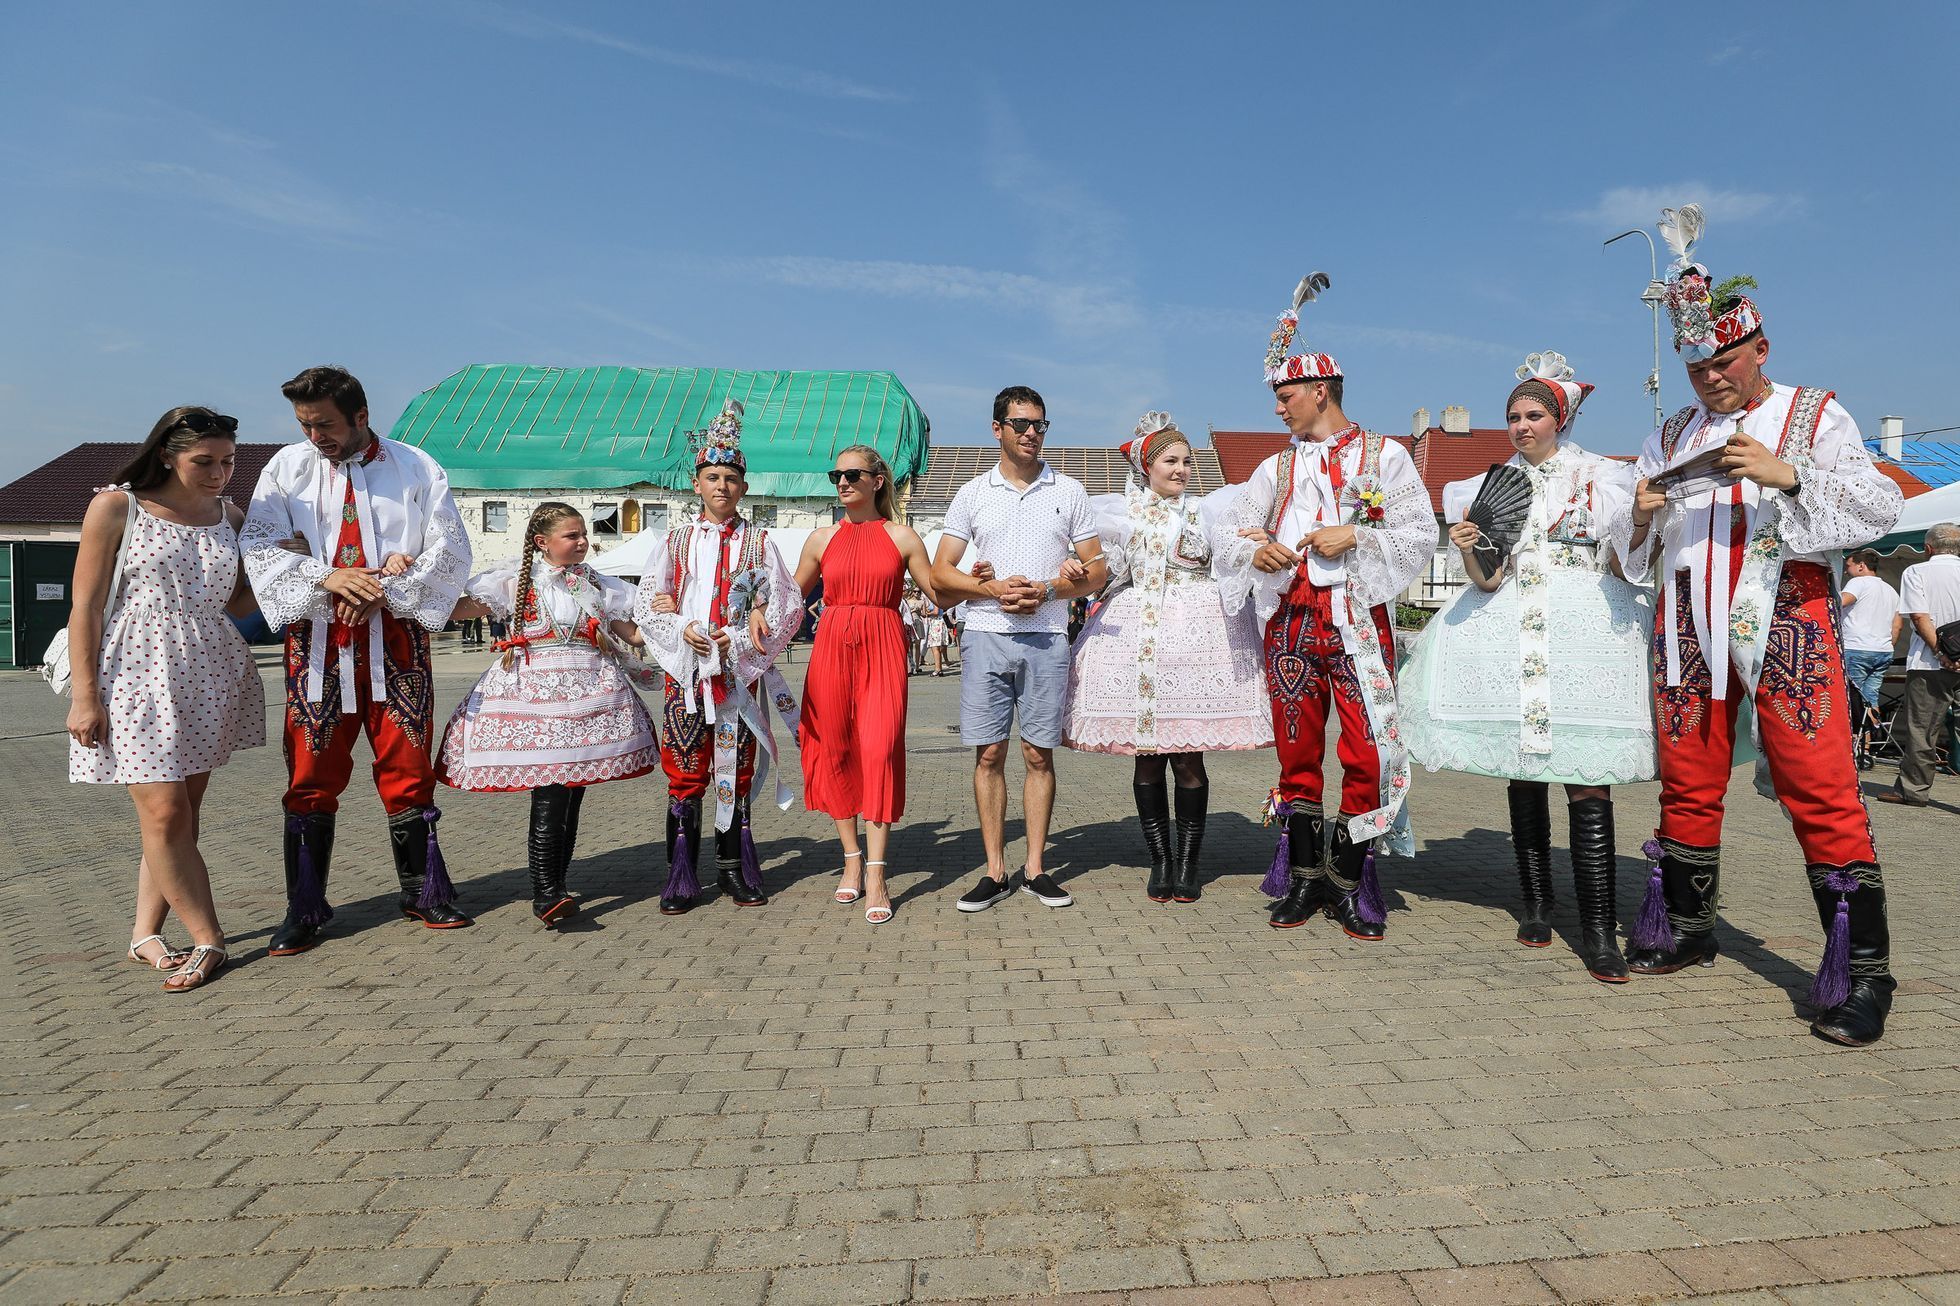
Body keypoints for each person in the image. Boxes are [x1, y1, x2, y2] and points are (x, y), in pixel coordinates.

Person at [1610, 206, 1903, 1045]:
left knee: (1820, 789)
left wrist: (1788, 474)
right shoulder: (1668, 432)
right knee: (1688, 782)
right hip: (1687, 625)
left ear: (1760, 349)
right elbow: (1634, 553)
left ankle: (1865, 974)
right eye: (1697, 365)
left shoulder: (1815, 415)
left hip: (1787, 618)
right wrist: (1637, 513)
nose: (1710, 380)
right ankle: (1688, 929)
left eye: (1724, 363)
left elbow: (1878, 507)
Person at [1400, 353, 1655, 981]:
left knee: (1587, 773)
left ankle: (1598, 929)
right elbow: (1489, 582)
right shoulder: (1486, 485)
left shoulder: (1605, 477)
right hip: (1510, 623)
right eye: (1513, 416)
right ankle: (1536, 903)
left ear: (1558, 418)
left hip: (1586, 622)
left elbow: (1628, 565)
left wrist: (1642, 520)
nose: (1520, 426)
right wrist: (1469, 553)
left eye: (1533, 415)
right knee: (1525, 769)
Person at [1213, 274, 1436, 938]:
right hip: (1291, 622)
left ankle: (1351, 880)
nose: (1279, 410)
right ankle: (1304, 879)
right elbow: (1228, 529)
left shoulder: (1386, 457)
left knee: (1368, 752)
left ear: (1320, 391)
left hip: (1358, 623)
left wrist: (1357, 535)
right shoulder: (1273, 469)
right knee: (1296, 750)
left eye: (1285, 397)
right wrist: (1258, 551)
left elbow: (1421, 534)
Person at [241, 365, 476, 955]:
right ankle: (304, 906)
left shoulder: (417, 467)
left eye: (324, 424)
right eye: (305, 424)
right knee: (310, 773)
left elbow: (449, 546)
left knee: (407, 766)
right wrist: (329, 577)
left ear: (361, 416)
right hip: (319, 643)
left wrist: (390, 584)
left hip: (396, 641)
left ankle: (424, 889)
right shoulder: (285, 469)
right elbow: (260, 546)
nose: (314, 435)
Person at [67, 407, 265, 991]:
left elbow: (237, 607)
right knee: (163, 813)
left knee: (180, 818)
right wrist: (84, 696)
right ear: (166, 455)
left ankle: (144, 935)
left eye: (228, 461)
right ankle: (211, 940)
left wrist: (293, 565)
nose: (219, 473)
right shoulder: (116, 506)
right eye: (204, 461)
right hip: (134, 671)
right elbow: (86, 607)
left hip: (208, 670)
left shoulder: (230, 516)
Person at [1064, 412, 1272, 903]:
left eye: (1185, 460)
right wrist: (1076, 566)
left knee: (1189, 758)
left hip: (1200, 641)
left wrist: (1252, 544)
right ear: (1147, 467)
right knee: (1149, 759)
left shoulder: (1208, 511)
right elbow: (1107, 569)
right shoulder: (1120, 514)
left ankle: (1188, 862)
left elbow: (1234, 554)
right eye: (1170, 461)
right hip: (1140, 639)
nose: (1181, 469)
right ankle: (1160, 861)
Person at [438, 503, 660, 925]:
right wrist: (427, 590)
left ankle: (556, 882)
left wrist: (667, 624)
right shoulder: (515, 581)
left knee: (572, 788)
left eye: (583, 534)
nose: (582, 542)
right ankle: (546, 892)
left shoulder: (596, 583)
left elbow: (628, 630)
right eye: (571, 536)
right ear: (542, 543)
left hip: (589, 691)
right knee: (552, 787)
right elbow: (461, 610)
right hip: (535, 696)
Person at [932, 386, 1108, 912]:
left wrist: (1051, 589)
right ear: (997, 429)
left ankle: (1035, 869)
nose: (1032, 433)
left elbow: (1097, 571)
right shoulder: (972, 493)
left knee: (1037, 753)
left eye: (1040, 424)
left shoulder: (1069, 490)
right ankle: (993, 871)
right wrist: (991, 589)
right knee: (989, 753)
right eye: (1021, 424)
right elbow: (941, 576)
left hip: (1048, 635)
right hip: (986, 632)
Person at [632, 400, 803, 915]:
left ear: (744, 487)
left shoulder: (760, 541)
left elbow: (787, 606)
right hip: (687, 676)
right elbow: (647, 601)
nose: (722, 486)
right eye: (712, 476)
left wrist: (743, 639)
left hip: (736, 677)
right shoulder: (676, 540)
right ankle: (680, 874)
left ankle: (733, 870)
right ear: (696, 483)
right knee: (685, 771)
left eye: (731, 477)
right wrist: (682, 626)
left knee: (737, 770)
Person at [786, 446, 939, 924]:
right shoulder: (819, 538)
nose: (843, 482)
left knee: (878, 749)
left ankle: (877, 871)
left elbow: (938, 592)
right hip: (830, 648)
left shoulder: (903, 536)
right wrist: (749, 610)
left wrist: (983, 584)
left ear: (878, 480)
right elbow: (790, 600)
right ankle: (851, 859)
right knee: (835, 749)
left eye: (853, 474)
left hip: (882, 645)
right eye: (837, 474)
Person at [1882, 523, 1960, 807]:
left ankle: (1913, 790)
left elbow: (1918, 617)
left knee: (1923, 729)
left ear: (1928, 548)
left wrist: (1943, 652)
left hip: (1930, 662)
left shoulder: (1917, 571)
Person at [1841, 547, 1903, 767]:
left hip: (1857, 648)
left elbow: (1839, 602)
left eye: (1848, 566)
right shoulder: (1891, 590)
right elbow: (1898, 625)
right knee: (1870, 700)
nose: (1846, 571)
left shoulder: (1858, 583)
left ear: (1861, 565)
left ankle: (1851, 750)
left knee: (1851, 701)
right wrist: (1887, 645)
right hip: (1882, 650)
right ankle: (1866, 751)